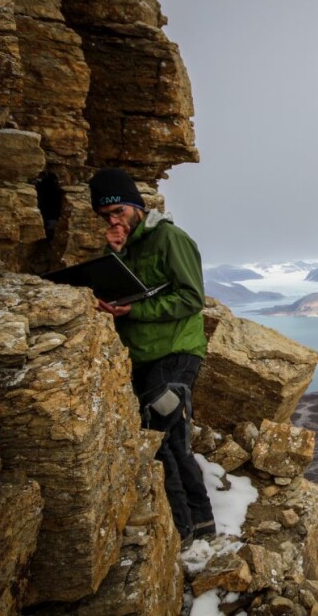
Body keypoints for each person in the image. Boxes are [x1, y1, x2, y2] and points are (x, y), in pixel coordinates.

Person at [89, 167, 215, 543]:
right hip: (141, 355)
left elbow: (192, 298)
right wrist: (114, 253)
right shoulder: (122, 247)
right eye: (106, 216)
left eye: (119, 212)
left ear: (135, 206)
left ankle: (191, 528)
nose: (114, 220)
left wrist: (138, 311)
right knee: (161, 440)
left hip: (177, 352)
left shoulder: (170, 239)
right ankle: (194, 526)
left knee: (168, 439)